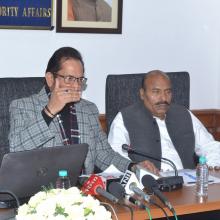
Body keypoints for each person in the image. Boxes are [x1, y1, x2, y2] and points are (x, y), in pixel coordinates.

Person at [8, 47, 149, 174]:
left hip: (82, 190)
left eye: (80, 79)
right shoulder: (22, 106)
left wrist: (133, 167)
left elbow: (104, 154)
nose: (76, 86)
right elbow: (16, 149)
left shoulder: (88, 109)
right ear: (50, 79)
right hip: (41, 191)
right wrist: (50, 110)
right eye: (69, 78)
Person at [108, 70, 220, 174]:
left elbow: (210, 146)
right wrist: (135, 167)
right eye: (156, 92)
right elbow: (114, 156)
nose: (163, 98)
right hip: (150, 186)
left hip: (188, 185)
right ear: (142, 94)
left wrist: (210, 165)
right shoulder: (125, 117)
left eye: (168, 92)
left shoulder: (184, 114)